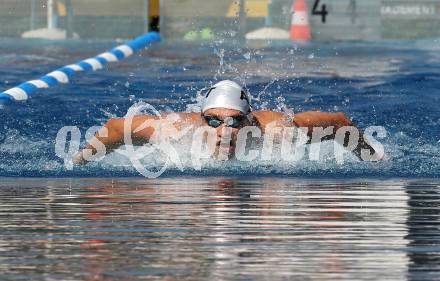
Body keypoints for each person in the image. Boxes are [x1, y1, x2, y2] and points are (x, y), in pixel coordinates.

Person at [74, 80, 380, 164]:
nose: (225, 131)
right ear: (201, 118)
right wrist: (78, 164)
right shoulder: (177, 130)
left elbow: (339, 123)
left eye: (235, 122)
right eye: (214, 121)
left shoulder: (277, 130)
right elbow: (115, 127)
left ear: (249, 121)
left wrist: (375, 159)